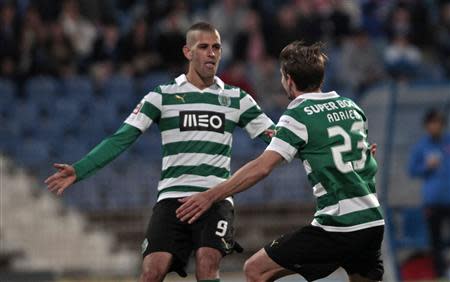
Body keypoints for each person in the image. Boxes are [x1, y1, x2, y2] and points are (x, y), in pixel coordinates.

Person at [45, 22, 275, 282]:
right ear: (187, 52)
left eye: (216, 48)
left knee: (207, 262)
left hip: (215, 198)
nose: (211, 53)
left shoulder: (238, 98)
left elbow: (278, 139)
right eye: (204, 47)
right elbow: (121, 139)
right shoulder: (162, 96)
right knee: (151, 272)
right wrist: (80, 170)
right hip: (172, 197)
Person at [176, 41, 385, 282]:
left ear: (289, 80)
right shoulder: (352, 108)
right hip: (371, 221)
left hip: (339, 225)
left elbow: (262, 167)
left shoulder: (298, 114)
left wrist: (210, 196)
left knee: (255, 269)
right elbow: (361, 158)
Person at [408, 109, 450, 278]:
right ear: (427, 126)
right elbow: (412, 170)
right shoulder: (421, 147)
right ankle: (440, 273)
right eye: (432, 123)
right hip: (433, 201)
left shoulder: (448, 143)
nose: (436, 126)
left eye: (438, 122)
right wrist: (427, 166)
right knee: (436, 240)